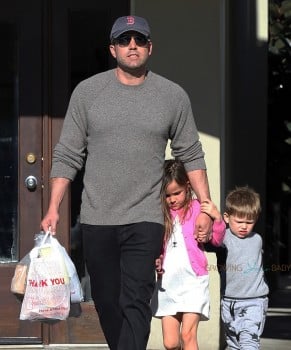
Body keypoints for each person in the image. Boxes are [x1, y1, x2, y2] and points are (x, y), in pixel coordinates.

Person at [40, 15, 212, 350]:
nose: (131, 46)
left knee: (136, 300)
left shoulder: (172, 96)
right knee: (107, 301)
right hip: (97, 218)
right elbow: (68, 154)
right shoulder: (88, 93)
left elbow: (190, 152)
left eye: (138, 40)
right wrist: (53, 208)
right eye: (124, 40)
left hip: (145, 218)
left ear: (150, 47)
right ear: (113, 48)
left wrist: (206, 205)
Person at [151, 159, 225, 350]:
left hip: (193, 281)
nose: (173, 199)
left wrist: (216, 219)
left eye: (177, 193)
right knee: (170, 343)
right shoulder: (159, 213)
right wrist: (156, 259)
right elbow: (154, 246)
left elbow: (216, 241)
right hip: (167, 284)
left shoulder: (197, 210)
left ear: (188, 186)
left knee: (188, 335)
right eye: (168, 195)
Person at [202, 186, 269, 349]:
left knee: (248, 343)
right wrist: (214, 217)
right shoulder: (223, 238)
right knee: (233, 344)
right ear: (227, 217)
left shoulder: (257, 239)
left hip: (254, 302)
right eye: (239, 221)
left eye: (249, 222)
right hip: (229, 301)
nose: (244, 226)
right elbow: (209, 244)